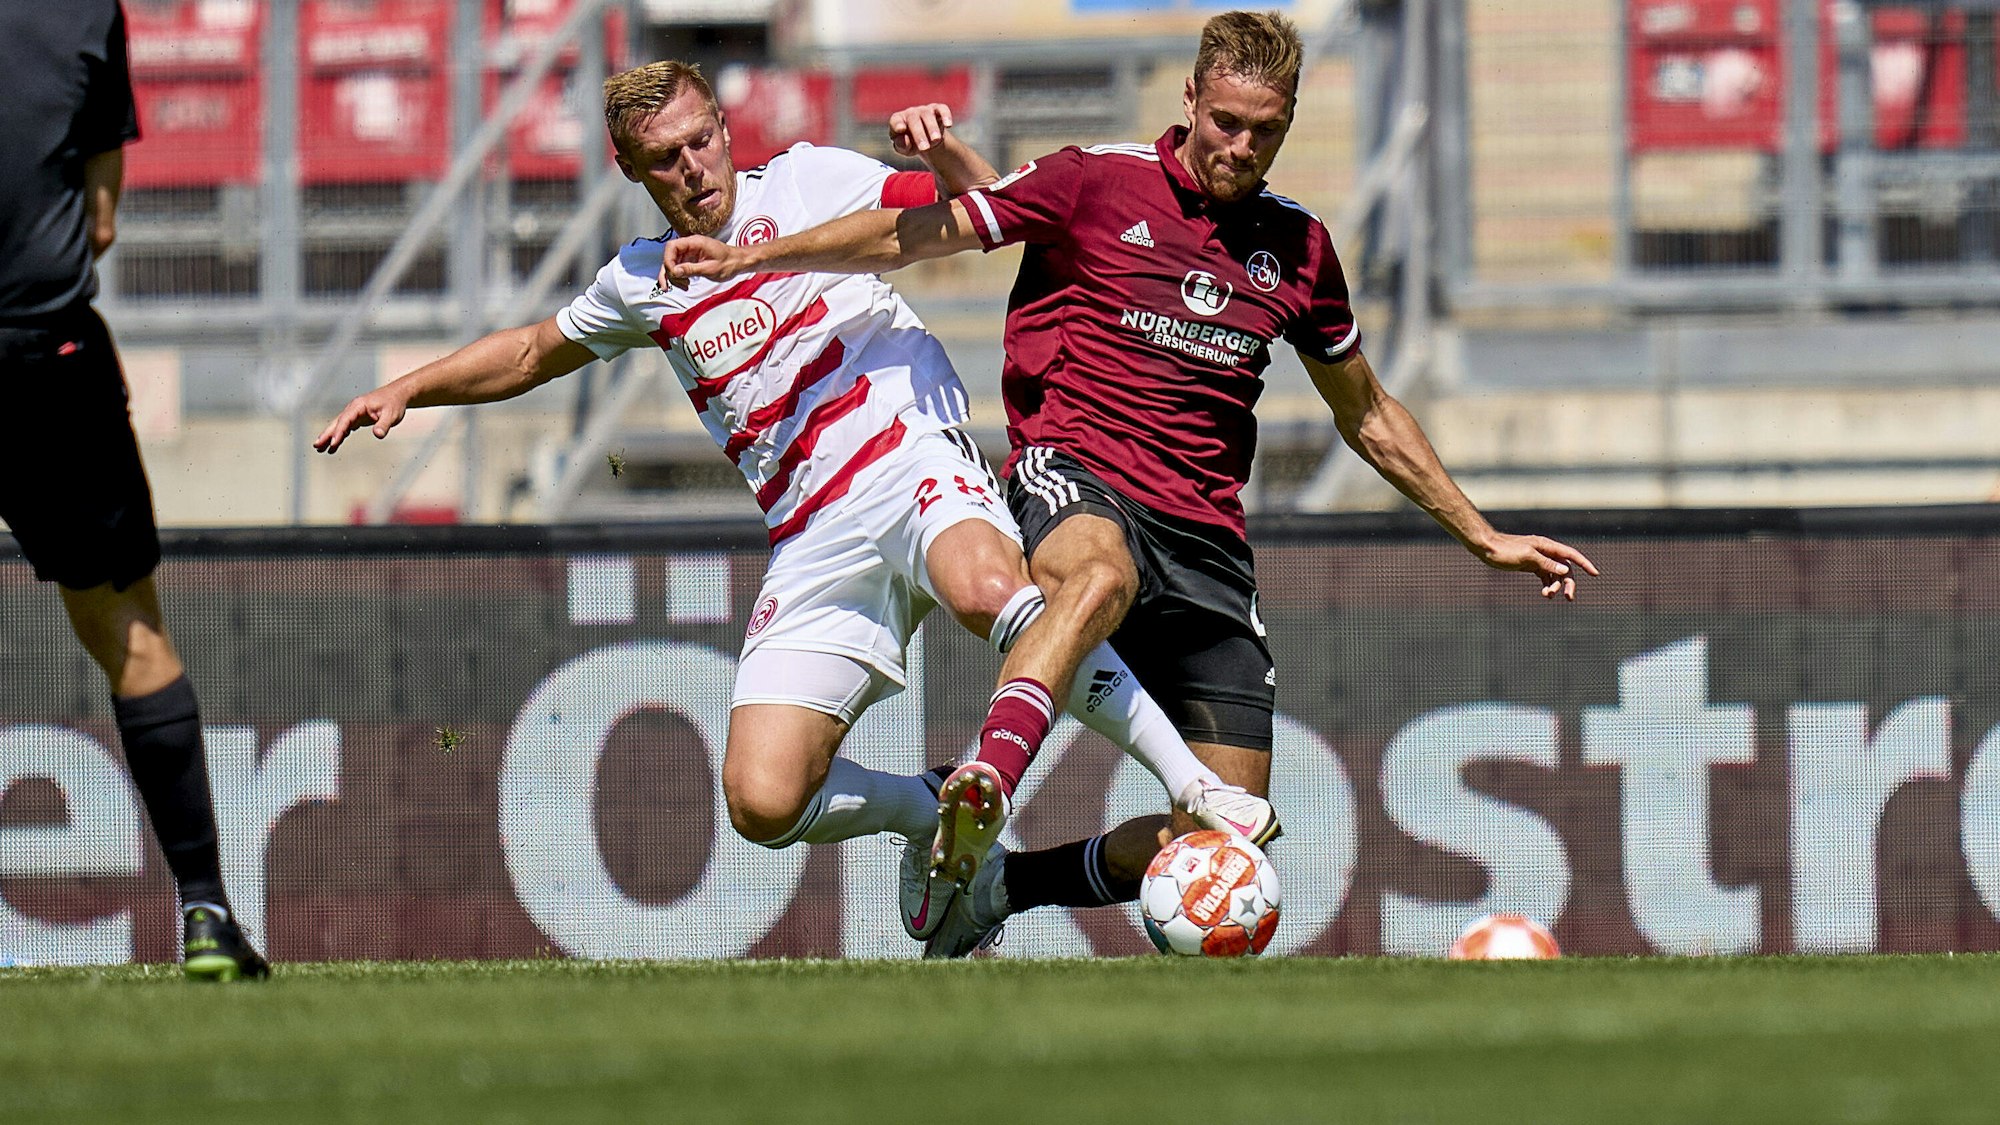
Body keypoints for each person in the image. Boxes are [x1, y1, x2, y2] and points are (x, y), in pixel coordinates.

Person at [662, 9, 1600, 956]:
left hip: (1208, 541)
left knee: (1227, 838)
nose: (1241, 146)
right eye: (1225, 121)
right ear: (1189, 98)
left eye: (1266, 130)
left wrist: (1483, 533)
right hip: (1075, 475)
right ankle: (986, 782)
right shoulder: (1092, 180)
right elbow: (914, 236)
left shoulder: (1301, 248)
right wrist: (752, 258)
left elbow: (1368, 413)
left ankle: (1002, 886)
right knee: (1098, 573)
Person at [315, 60, 1276, 947]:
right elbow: (531, 351)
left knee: (990, 588)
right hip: (811, 531)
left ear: (725, 128)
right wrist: (409, 388)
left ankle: (1195, 786)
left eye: (701, 140)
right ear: (629, 169)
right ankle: (930, 806)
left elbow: (990, 207)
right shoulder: (642, 281)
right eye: (665, 157)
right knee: (764, 800)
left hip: (908, 449)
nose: (693, 168)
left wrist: (943, 149)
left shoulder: (813, 181)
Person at [0, 2, 267, 980]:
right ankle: (204, 913)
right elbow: (102, 219)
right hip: (48, 358)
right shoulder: (81, 13)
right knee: (130, 632)